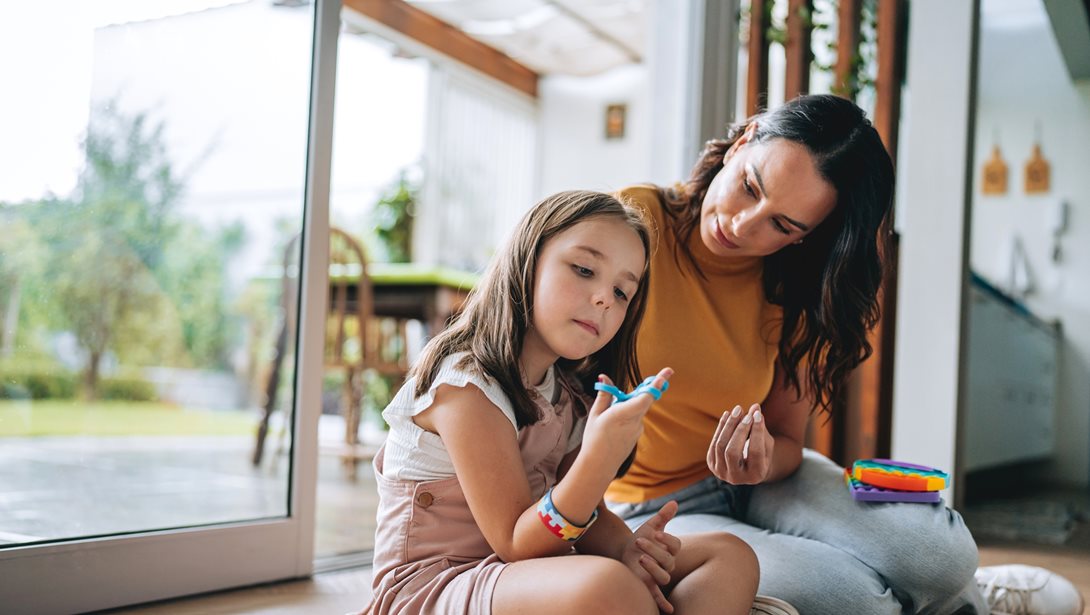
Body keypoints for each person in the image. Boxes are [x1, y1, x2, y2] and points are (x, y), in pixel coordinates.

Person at [604, 94, 1085, 615]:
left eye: (783, 226)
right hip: (654, 506)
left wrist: (761, 462)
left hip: (765, 484)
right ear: (743, 142)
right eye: (749, 187)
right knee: (858, 602)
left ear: (807, 236)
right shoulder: (633, 224)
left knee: (941, 555)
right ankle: (961, 607)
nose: (745, 225)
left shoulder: (794, 283)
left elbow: (788, 441)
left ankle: (965, 593)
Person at [363, 190, 760, 615]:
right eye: (585, 269)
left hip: (527, 575)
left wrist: (632, 550)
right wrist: (600, 457)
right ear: (528, 260)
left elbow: (589, 519)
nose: (605, 298)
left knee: (728, 556)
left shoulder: (565, 396)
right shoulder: (466, 386)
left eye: (623, 292)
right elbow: (516, 542)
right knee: (608, 587)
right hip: (434, 590)